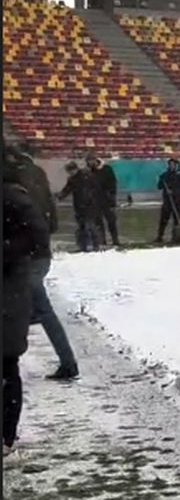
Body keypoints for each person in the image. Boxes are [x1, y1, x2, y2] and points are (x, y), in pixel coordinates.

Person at [5, 147, 79, 380]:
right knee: (29, 309)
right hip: (36, 252)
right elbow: (47, 212)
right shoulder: (34, 174)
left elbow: (31, 217)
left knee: (40, 310)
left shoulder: (17, 179)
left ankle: (68, 363)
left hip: (28, 255)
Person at [3, 164, 50, 456]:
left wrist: (6, 251)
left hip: (8, 291)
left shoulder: (12, 196)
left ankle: (6, 434)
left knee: (6, 365)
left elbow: (38, 237)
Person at [57, 161, 100, 252]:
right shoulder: (74, 179)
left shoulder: (86, 176)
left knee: (89, 225)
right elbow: (67, 189)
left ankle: (94, 245)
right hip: (80, 206)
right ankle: (84, 246)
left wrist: (93, 199)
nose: (70, 173)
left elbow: (96, 188)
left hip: (89, 205)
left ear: (75, 169)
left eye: (71, 171)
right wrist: (59, 196)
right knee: (82, 227)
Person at [86, 152, 119, 247]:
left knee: (111, 221)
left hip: (107, 199)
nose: (89, 163)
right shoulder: (89, 172)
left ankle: (115, 240)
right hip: (96, 200)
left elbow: (113, 183)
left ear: (95, 160)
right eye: (88, 161)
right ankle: (102, 241)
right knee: (98, 222)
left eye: (90, 161)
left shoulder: (107, 169)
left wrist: (112, 196)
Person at [155, 158, 180, 243]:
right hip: (167, 202)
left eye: (173, 164)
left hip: (177, 202)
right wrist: (160, 181)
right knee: (163, 220)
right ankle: (160, 236)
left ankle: (176, 237)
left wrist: (173, 192)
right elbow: (159, 187)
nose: (172, 166)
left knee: (176, 220)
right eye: (170, 164)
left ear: (177, 165)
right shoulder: (165, 175)